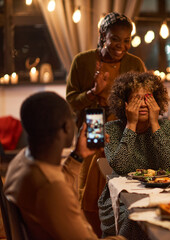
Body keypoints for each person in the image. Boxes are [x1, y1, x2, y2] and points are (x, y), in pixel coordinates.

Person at [66, 12, 146, 235]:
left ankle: (121, 235)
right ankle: (89, 235)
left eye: (127, 40)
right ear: (103, 35)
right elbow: (71, 102)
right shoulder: (82, 62)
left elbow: (144, 100)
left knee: (123, 188)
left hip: (123, 127)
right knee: (91, 192)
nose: (121, 45)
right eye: (115, 39)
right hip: (93, 122)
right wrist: (94, 92)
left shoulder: (135, 63)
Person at [4, 92, 124, 240]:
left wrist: (78, 156)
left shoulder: (21, 161)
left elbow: (56, 183)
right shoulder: (50, 188)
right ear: (67, 127)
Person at [98, 72, 170, 238]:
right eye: (136, 99)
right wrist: (131, 124)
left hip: (161, 194)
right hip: (121, 201)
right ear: (124, 103)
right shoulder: (111, 129)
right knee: (137, 216)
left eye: (148, 98)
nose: (143, 104)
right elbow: (121, 167)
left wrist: (155, 124)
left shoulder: (167, 127)